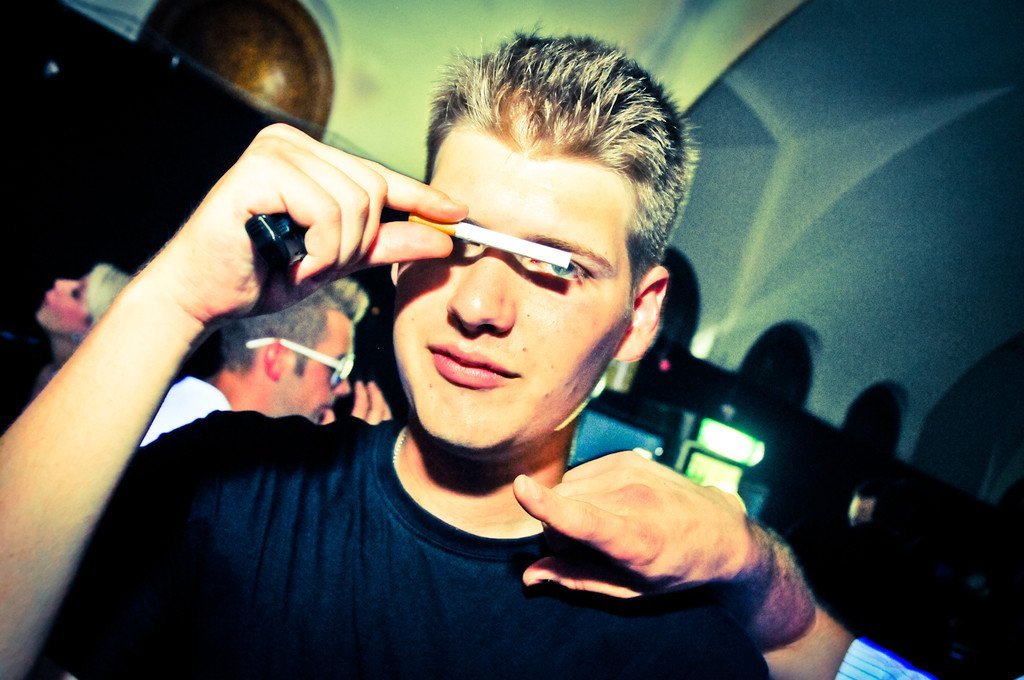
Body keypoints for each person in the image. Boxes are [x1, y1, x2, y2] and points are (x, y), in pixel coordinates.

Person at [0, 32, 922, 680]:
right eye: (457, 241)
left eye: (556, 268)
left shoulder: (679, 647)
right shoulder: (226, 490)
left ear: (638, 319)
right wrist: (173, 299)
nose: (479, 306)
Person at [141, 277, 389, 446]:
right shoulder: (182, 434)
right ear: (277, 359)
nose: (344, 388)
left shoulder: (215, 431)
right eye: (338, 368)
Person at [28, 263, 132, 401]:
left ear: (90, 334)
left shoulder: (78, 399)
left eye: (75, 294)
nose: (59, 283)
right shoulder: (48, 374)